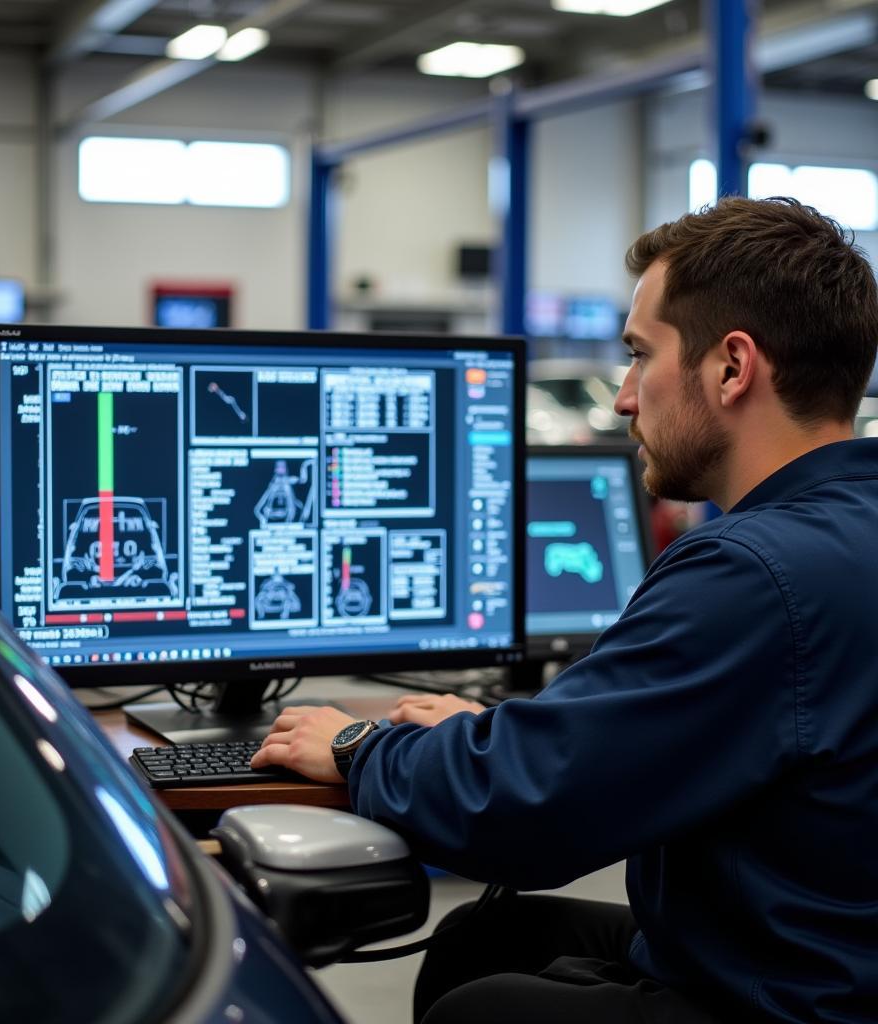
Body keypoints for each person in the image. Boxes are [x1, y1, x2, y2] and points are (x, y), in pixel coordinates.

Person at [250, 196, 878, 1024]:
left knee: (478, 1011)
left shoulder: (754, 574)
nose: (622, 399)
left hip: (798, 1001)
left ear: (732, 367)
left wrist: (363, 746)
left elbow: (527, 816)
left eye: (638, 356)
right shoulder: (842, 529)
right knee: (491, 937)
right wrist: (484, 737)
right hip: (825, 954)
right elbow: (606, 742)